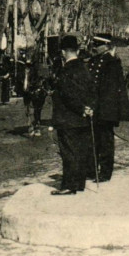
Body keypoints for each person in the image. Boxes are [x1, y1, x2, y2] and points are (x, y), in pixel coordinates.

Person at [51, 35, 95, 195]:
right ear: (77, 50)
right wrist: (89, 108)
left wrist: (80, 108)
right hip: (83, 119)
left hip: (68, 118)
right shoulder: (85, 68)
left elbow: (67, 95)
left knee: (68, 152)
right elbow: (92, 91)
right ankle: (79, 183)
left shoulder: (66, 70)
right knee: (80, 151)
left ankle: (69, 185)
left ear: (63, 52)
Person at [86, 34, 128, 182]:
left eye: (97, 45)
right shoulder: (92, 61)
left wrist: (100, 108)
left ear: (105, 46)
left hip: (105, 110)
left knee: (105, 142)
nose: (94, 48)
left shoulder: (112, 62)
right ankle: (91, 170)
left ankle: (105, 172)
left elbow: (111, 90)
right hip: (94, 109)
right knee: (92, 140)